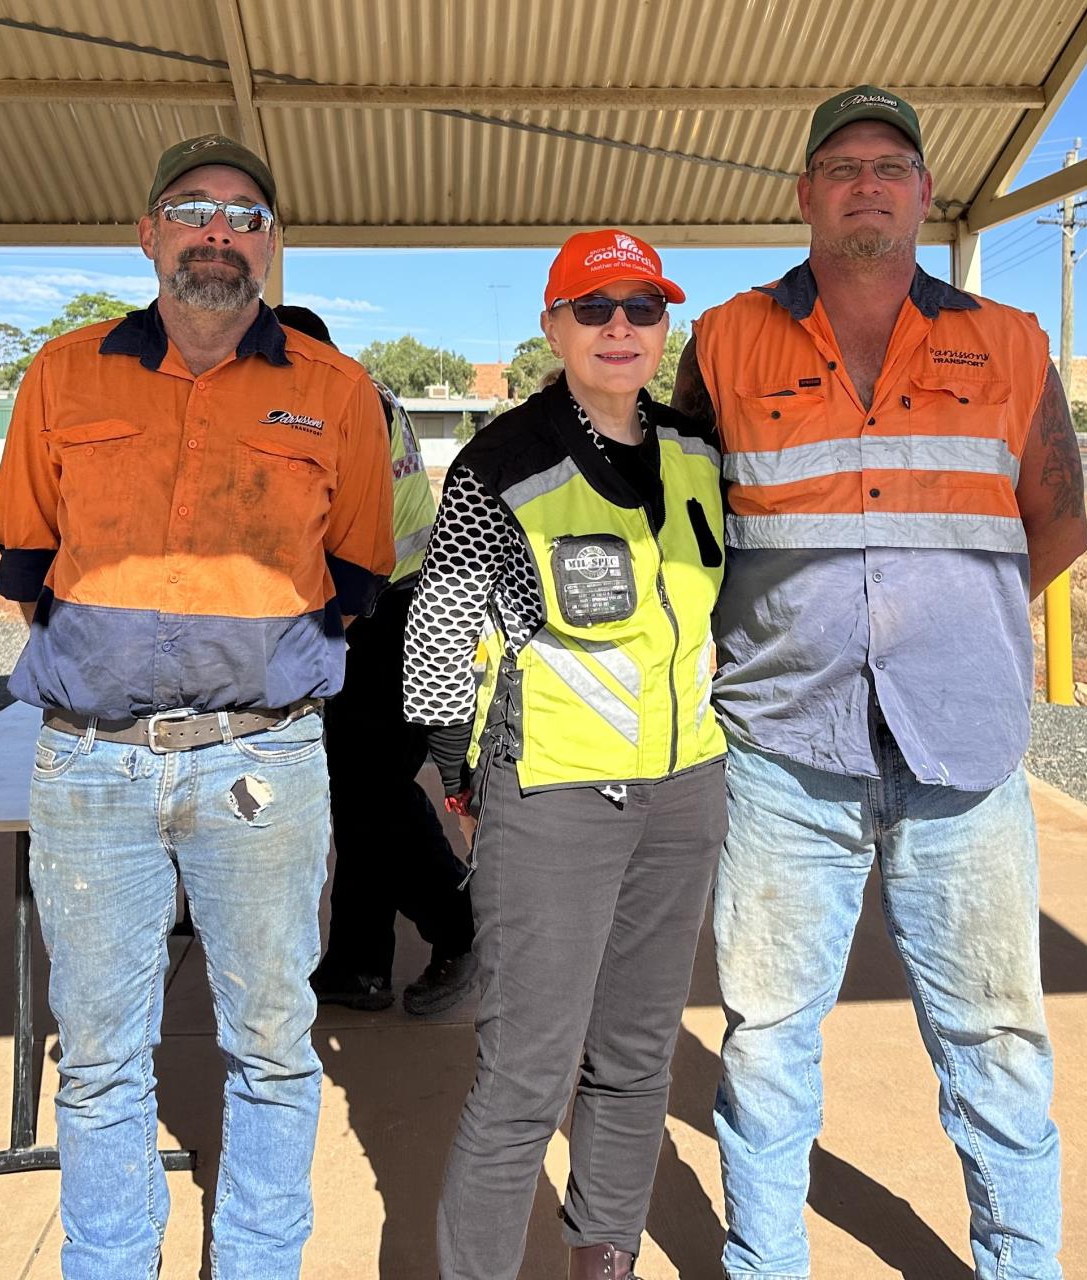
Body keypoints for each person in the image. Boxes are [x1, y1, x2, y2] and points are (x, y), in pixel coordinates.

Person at [672, 87, 1087, 1279]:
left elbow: (1053, 526)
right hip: (783, 750)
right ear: (805, 194)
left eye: (890, 164)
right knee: (763, 1040)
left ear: (922, 192)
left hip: (962, 753)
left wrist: (942, 629)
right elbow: (684, 523)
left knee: (997, 1037)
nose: (866, 181)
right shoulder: (723, 341)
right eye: (841, 165)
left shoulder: (1010, 341)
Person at [0, 135, 394, 1279]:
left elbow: (355, 576)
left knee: (272, 1044)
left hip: (260, 765)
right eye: (194, 209)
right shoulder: (62, 376)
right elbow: (28, 559)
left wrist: (239, 680)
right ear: (149, 232)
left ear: (269, 246)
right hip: (89, 769)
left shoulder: (335, 391)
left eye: (246, 216)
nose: (219, 232)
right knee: (103, 1056)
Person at [403, 229, 728, 1280]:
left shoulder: (694, 453)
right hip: (553, 797)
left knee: (635, 1058)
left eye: (642, 306)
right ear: (553, 327)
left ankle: (604, 1257)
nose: (621, 328)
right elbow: (439, 630)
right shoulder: (501, 462)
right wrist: (455, 772)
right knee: (526, 1074)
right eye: (595, 309)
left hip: (684, 793)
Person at [274, 304, 477, 1015]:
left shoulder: (332, 401)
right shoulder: (365, 391)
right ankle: (358, 964)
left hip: (384, 616)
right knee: (361, 794)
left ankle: (463, 923)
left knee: (371, 794)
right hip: (404, 608)